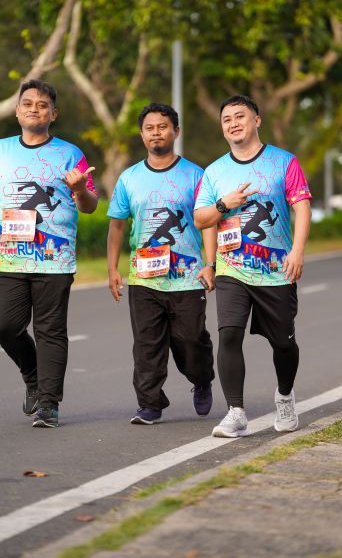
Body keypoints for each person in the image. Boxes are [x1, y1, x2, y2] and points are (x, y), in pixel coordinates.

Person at [194, 94, 312, 438]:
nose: (233, 123)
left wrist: (297, 251)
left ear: (256, 120)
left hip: (277, 269)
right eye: (227, 119)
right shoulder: (214, 172)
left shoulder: (284, 162)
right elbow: (202, 219)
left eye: (240, 116)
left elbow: (302, 207)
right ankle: (236, 412)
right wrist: (224, 205)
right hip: (232, 269)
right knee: (229, 334)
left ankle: (285, 396)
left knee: (283, 343)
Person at [107, 103, 215, 425]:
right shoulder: (129, 178)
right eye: (150, 128)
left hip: (187, 277)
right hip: (144, 278)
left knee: (190, 340)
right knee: (147, 344)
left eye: (163, 127)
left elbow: (208, 222)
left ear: (175, 131)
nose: (156, 133)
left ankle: (202, 378)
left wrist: (211, 263)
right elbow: (117, 225)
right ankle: (149, 404)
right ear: (142, 135)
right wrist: (112, 268)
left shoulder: (196, 175)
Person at [0, 79, 98, 428]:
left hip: (54, 258)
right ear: (17, 111)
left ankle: (49, 403)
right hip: (8, 257)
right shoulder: (2, 150)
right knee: (5, 325)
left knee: (50, 330)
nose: (34, 109)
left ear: (53, 114)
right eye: (28, 103)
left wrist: (78, 190)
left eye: (42, 105)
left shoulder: (70, 154)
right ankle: (32, 375)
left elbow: (89, 205)